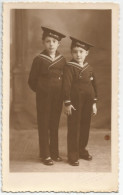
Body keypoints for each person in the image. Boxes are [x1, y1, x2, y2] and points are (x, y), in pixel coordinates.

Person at [28, 26, 66, 165]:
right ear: (43, 43)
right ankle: (45, 154)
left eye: (54, 42)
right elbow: (31, 81)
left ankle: (54, 153)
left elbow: (66, 80)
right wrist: (42, 91)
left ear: (58, 44)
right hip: (44, 98)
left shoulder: (62, 60)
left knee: (54, 124)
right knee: (44, 124)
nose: (51, 44)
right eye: (48, 41)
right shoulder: (39, 59)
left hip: (58, 98)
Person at [63, 37, 98, 166]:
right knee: (74, 128)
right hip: (74, 103)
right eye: (75, 51)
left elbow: (94, 86)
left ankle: (81, 150)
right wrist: (67, 103)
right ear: (71, 53)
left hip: (88, 102)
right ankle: (72, 154)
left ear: (87, 53)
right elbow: (65, 86)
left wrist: (94, 103)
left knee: (85, 126)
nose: (78, 55)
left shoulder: (89, 68)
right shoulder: (69, 67)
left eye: (81, 51)